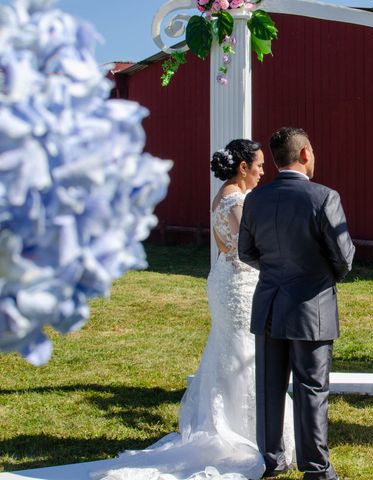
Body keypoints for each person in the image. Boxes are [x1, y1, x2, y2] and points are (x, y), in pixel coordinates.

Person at [93, 139, 294, 480]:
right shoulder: (235, 200)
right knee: (244, 354)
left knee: (230, 351)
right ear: (242, 167)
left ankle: (243, 427)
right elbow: (251, 248)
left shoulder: (226, 196)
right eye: (259, 165)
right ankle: (243, 434)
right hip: (238, 287)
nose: (263, 172)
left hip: (227, 280)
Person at [238, 127, 355, 480]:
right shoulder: (323, 197)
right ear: (304, 153)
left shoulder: (256, 198)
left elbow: (246, 251)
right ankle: (316, 469)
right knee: (312, 388)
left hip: (270, 305)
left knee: (270, 388)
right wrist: (319, 274)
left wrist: (278, 269)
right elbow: (344, 256)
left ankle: (272, 460)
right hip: (311, 307)